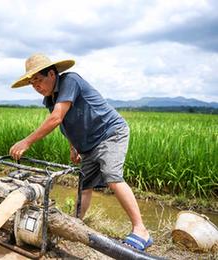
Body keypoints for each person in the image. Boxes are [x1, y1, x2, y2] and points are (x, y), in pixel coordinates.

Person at [9, 53, 153, 251]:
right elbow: (67, 123)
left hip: (110, 133)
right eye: (32, 84)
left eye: (39, 80)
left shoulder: (70, 81)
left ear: (52, 74)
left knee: (112, 177)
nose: (36, 87)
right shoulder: (49, 99)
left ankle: (141, 230)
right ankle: (77, 222)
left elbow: (56, 118)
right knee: (85, 186)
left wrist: (26, 141)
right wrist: (73, 145)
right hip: (88, 144)